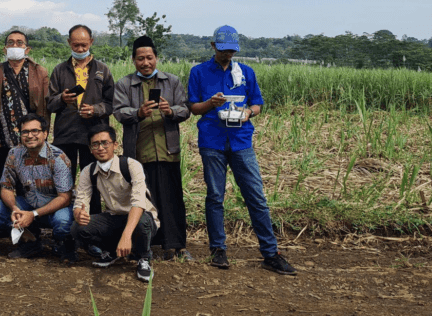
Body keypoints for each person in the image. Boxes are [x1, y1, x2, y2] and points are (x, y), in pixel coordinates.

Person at [188, 25, 297, 276]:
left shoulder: (246, 72)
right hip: (212, 141)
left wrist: (248, 112)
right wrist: (210, 104)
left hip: (241, 140)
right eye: (224, 50)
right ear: (213, 46)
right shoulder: (199, 72)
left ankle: (271, 253)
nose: (228, 55)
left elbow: (257, 103)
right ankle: (218, 250)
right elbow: (194, 107)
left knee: (256, 197)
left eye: (232, 51)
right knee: (215, 196)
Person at [113, 35, 193, 261]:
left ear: (157, 58)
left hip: (168, 152)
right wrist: (138, 113)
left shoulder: (172, 81)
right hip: (138, 153)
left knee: (171, 200)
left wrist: (170, 111)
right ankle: (145, 247)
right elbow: (118, 112)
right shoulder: (124, 84)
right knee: (142, 200)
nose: (145, 62)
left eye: (149, 58)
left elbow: (185, 110)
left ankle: (176, 246)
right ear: (133, 60)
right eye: (140, 59)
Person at [71, 126, 159, 283]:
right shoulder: (88, 171)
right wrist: (79, 214)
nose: (100, 148)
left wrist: (126, 235)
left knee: (142, 222)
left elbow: (139, 202)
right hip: (115, 217)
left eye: (105, 143)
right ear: (90, 149)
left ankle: (143, 258)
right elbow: (80, 201)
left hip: (141, 218)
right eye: (95, 144)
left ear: (115, 145)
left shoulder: (131, 165)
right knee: (78, 228)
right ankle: (112, 252)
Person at [0, 114, 75, 260]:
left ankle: (63, 243)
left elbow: (65, 198)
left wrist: (33, 214)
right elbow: (6, 187)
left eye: (35, 131)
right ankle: (31, 240)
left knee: (63, 222)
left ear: (45, 134)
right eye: (25, 132)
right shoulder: (14, 154)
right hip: (29, 203)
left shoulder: (57, 157)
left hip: (56, 208)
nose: (30, 136)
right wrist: (14, 209)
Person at [0, 29, 50, 183]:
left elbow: (45, 105)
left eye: (19, 43)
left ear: (27, 49)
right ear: (5, 49)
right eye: (10, 43)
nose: (15, 45)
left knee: (28, 182)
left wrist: (43, 133)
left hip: (29, 139)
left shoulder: (39, 72)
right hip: (0, 139)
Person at [47, 25, 114, 178]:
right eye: (76, 45)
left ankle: (93, 203)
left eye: (84, 45)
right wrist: (62, 99)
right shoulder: (60, 70)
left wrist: (95, 110)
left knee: (94, 179)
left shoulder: (102, 70)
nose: (80, 49)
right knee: (63, 178)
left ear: (91, 42)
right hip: (65, 133)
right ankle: (66, 202)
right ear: (69, 42)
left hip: (94, 134)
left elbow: (111, 103)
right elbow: (50, 103)